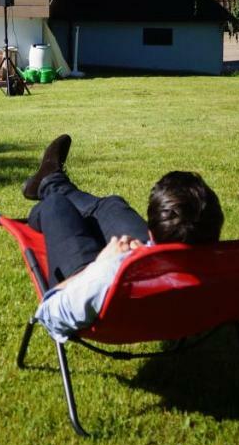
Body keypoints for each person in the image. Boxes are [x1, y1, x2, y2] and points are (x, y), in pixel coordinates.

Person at [23, 134, 224, 342]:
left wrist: (104, 262)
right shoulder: (234, 268)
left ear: (151, 232)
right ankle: (52, 180)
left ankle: (50, 188)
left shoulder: (105, 276)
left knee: (56, 205)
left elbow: (48, 313)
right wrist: (145, 251)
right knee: (111, 205)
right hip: (155, 262)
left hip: (94, 276)